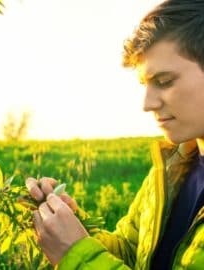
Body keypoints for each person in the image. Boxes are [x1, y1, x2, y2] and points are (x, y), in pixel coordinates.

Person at [24, 0, 204, 269]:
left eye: (164, 82)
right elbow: (133, 255)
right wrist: (72, 228)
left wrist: (77, 255)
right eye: (145, 84)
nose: (147, 103)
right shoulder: (173, 171)